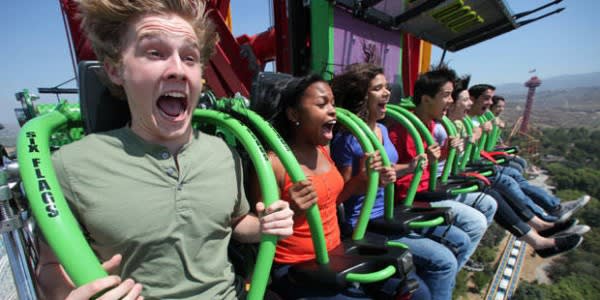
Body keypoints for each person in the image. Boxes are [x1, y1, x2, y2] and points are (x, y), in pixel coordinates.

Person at [37, 1, 294, 299]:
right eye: (155, 53)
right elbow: (49, 266)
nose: (177, 70)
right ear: (116, 69)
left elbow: (235, 224)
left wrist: (264, 225)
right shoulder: (70, 165)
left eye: (189, 58)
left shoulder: (224, 153)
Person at [251, 73, 430, 299]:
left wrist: (361, 182)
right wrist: (292, 211)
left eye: (333, 103)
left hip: (336, 253)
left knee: (419, 292)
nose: (333, 110)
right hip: (298, 268)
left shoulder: (323, 150)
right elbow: (258, 233)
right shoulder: (272, 164)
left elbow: (332, 201)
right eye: (322, 104)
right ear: (294, 114)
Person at [330, 63, 471, 300]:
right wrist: (362, 181)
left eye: (386, 87)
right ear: (362, 97)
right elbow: (337, 197)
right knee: (439, 266)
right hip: (363, 223)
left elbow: (388, 169)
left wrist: (410, 167)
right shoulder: (347, 140)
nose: (387, 93)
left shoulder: (382, 131)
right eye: (378, 89)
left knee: (449, 251)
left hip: (387, 212)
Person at [444, 77, 586, 257]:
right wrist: (474, 135)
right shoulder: (452, 124)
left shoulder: (459, 122)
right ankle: (544, 221)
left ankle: (541, 225)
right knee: (501, 183)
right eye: (465, 100)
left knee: (508, 177)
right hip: (456, 172)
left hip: (462, 168)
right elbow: (453, 150)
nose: (470, 103)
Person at [387, 65, 498, 272]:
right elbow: (400, 176)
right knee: (476, 223)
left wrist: (447, 151)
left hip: (426, 188)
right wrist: (422, 164)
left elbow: (428, 162)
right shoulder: (404, 129)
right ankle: (450, 272)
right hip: (415, 195)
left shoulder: (428, 125)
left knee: (488, 202)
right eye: (446, 95)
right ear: (426, 99)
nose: (450, 100)